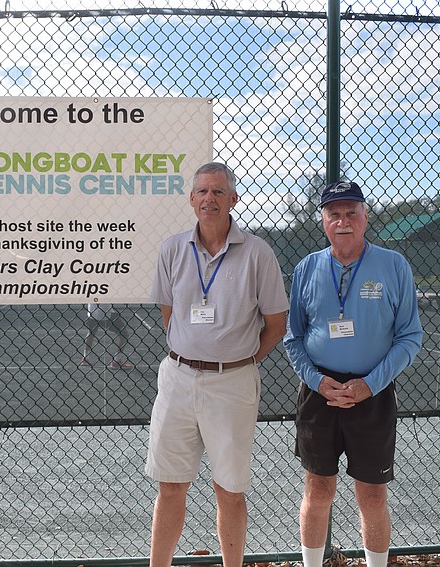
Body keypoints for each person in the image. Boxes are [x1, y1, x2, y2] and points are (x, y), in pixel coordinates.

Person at [146, 162, 289, 567]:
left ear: (233, 199)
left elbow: (276, 323)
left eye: (219, 192)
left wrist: (242, 360)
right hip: (178, 379)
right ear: (192, 199)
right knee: (171, 485)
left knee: (229, 489)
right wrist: (191, 352)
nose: (210, 199)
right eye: (203, 192)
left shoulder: (258, 253)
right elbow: (168, 312)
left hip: (233, 384)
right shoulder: (172, 248)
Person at [283, 180, 423, 567]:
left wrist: (369, 384)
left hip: (372, 392)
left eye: (350, 213)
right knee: (319, 489)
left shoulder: (393, 265)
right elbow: (293, 338)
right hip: (319, 392)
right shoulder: (307, 267)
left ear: (365, 217)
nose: (342, 221)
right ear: (323, 221)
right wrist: (316, 380)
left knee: (372, 495)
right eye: (334, 214)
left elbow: (410, 337)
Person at [78, 303, 132, 368]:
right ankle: (117, 360)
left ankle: (85, 358)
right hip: (106, 314)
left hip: (92, 313)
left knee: (91, 333)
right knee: (124, 334)